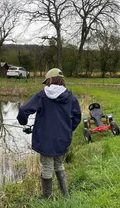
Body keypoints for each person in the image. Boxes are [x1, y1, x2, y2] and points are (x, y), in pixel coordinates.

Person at [16, 68, 81, 198]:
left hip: (45, 140)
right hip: (63, 139)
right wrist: (67, 130)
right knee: (59, 165)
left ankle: (47, 197)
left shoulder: (42, 96)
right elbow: (77, 118)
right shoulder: (71, 97)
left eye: (46, 81)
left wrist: (23, 122)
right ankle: (65, 195)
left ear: (50, 80)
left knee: (47, 167)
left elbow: (24, 110)